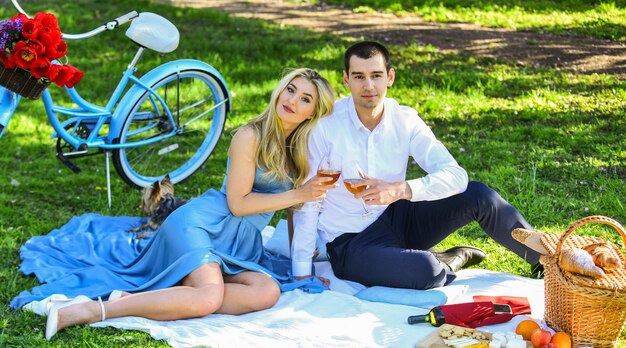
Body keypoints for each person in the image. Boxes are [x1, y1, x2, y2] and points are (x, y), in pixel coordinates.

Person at [16, 68, 337, 339]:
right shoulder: (250, 136)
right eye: (290, 90)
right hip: (202, 225)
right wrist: (300, 194)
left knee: (266, 293)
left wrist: (300, 267)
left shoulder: (303, 149)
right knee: (208, 298)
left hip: (241, 244)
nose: (292, 101)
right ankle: (92, 309)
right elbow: (238, 204)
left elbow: (300, 210)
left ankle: (176, 293)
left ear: (314, 112)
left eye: (305, 98)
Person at [291, 41, 542, 290]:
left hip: (399, 216)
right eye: (359, 76)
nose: (368, 86)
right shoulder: (326, 124)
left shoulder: (405, 119)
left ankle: (547, 261)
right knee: (427, 271)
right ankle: (443, 261)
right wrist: (301, 270)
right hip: (350, 242)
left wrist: (401, 190)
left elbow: (456, 176)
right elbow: (309, 198)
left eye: (376, 75)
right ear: (346, 79)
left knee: (479, 195)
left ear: (390, 77)